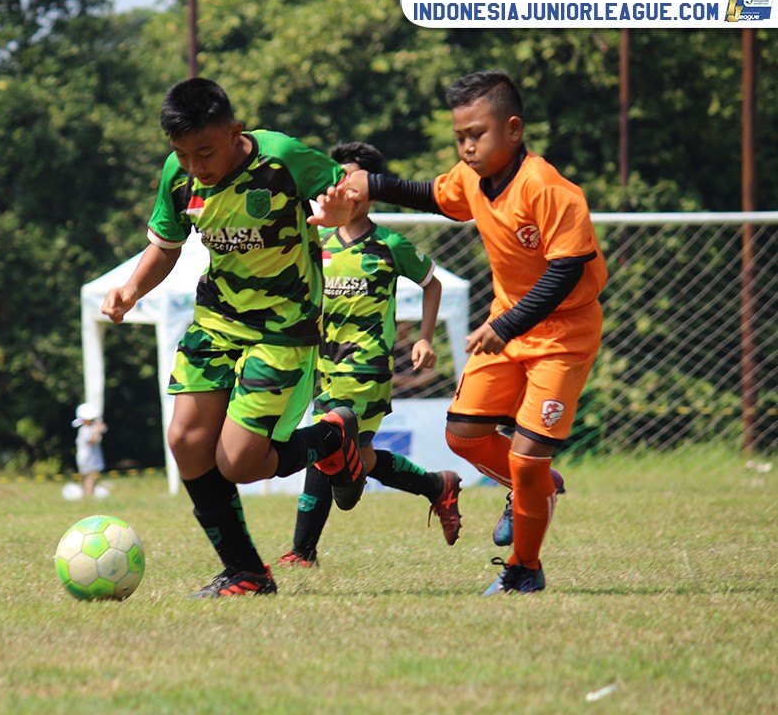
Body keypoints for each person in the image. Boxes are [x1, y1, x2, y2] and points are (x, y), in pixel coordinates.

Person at [313, 71, 607, 595]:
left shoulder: (548, 189)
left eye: (478, 134)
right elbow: (432, 195)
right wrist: (371, 183)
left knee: (526, 455)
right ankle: (535, 488)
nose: (468, 146)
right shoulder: (472, 179)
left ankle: (524, 570)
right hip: (508, 325)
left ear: (513, 130)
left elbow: (564, 274)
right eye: (460, 137)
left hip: (561, 334)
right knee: (462, 434)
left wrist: (505, 324)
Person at [101, 77, 364, 598]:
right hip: (217, 321)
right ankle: (247, 572)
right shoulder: (179, 174)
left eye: (204, 152)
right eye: (182, 153)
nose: (195, 167)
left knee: (241, 463)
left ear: (235, 132)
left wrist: (342, 210)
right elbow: (166, 244)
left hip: (283, 328)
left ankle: (332, 438)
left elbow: (352, 182)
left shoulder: (282, 157)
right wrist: (131, 288)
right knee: (185, 442)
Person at [279, 142, 461, 569]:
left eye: (354, 182)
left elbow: (432, 282)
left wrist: (425, 338)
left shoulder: (389, 244)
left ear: (370, 192)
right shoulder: (317, 241)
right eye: (337, 179)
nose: (344, 189)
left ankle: (302, 551)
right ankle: (437, 486)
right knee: (355, 459)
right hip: (322, 368)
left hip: (367, 371)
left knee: (328, 446)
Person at [70, 402, 109, 500]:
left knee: (88, 476)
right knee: (90, 477)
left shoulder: (87, 428)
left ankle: (87, 494)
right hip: (88, 458)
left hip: (88, 457)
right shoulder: (85, 430)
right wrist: (97, 431)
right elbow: (92, 441)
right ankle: (88, 494)